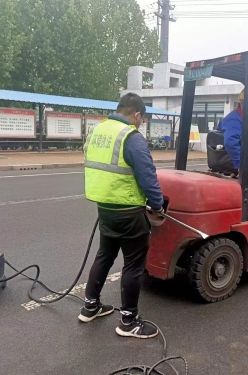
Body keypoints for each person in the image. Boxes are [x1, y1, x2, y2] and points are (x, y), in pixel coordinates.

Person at [79, 93, 164, 340]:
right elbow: (147, 177)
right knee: (133, 265)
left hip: (104, 207)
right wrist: (157, 206)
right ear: (136, 114)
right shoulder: (131, 137)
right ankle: (128, 321)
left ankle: (90, 306)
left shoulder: (98, 130)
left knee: (104, 255)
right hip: (128, 210)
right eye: (142, 119)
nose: (141, 123)